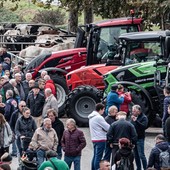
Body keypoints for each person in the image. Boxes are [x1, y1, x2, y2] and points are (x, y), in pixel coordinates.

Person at [88, 103, 110, 170]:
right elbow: (108, 128)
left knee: (95, 156)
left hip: (94, 139)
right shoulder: (99, 117)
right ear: (100, 109)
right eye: (103, 109)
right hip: (100, 139)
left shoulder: (91, 117)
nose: (103, 111)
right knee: (98, 157)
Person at [131, 105, 148, 170]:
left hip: (140, 138)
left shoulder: (144, 117)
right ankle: (138, 168)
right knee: (136, 155)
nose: (133, 112)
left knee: (141, 155)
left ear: (139, 111)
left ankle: (145, 168)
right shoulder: (133, 117)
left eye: (134, 111)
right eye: (132, 111)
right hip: (134, 139)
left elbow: (144, 127)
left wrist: (136, 121)